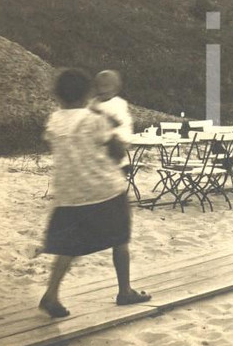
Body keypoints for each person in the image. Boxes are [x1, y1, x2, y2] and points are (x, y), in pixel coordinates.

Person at [38, 68, 151, 319]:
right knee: (121, 238)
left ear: (59, 96)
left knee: (68, 246)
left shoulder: (55, 120)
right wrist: (110, 127)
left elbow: (54, 141)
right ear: (87, 93)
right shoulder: (94, 119)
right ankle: (125, 290)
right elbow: (118, 152)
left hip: (69, 193)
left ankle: (51, 293)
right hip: (104, 189)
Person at [89, 70, 133, 144]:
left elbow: (122, 122)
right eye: (98, 85)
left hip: (116, 139)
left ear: (115, 89)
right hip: (98, 139)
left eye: (106, 86)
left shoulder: (118, 103)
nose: (101, 89)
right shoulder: (93, 103)